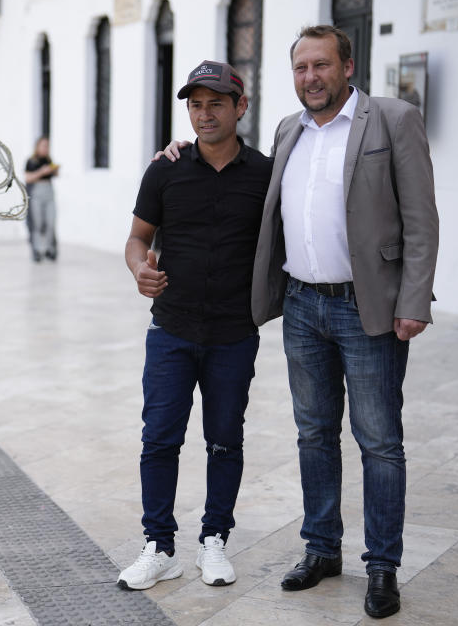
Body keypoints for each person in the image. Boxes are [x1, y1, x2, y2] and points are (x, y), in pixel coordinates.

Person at [161, 26, 438, 618]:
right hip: (303, 308)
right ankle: (322, 549)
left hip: (371, 309)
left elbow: (421, 217)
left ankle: (383, 566)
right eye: (300, 68)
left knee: (380, 441)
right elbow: (232, 164)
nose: (310, 77)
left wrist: (414, 299)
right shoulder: (289, 130)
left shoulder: (392, 119)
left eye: (321, 65)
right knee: (313, 434)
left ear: (347, 66)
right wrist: (178, 151)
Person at [118, 61, 272, 591]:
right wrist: (140, 267)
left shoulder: (265, 174)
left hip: (234, 333)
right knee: (159, 439)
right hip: (171, 331)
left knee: (225, 440)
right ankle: (160, 547)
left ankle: (214, 541)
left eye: (216, 103)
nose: (204, 114)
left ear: (240, 107)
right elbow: (137, 239)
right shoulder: (165, 169)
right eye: (195, 104)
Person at [23, 136, 59, 262]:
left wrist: (54, 171)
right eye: (43, 145)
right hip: (36, 195)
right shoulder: (31, 161)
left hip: (49, 194)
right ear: (37, 146)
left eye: (47, 146)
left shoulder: (48, 160)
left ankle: (50, 249)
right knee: (36, 223)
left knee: (51, 222)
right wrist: (42, 172)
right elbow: (27, 178)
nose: (45, 148)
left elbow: (53, 176)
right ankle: (37, 250)